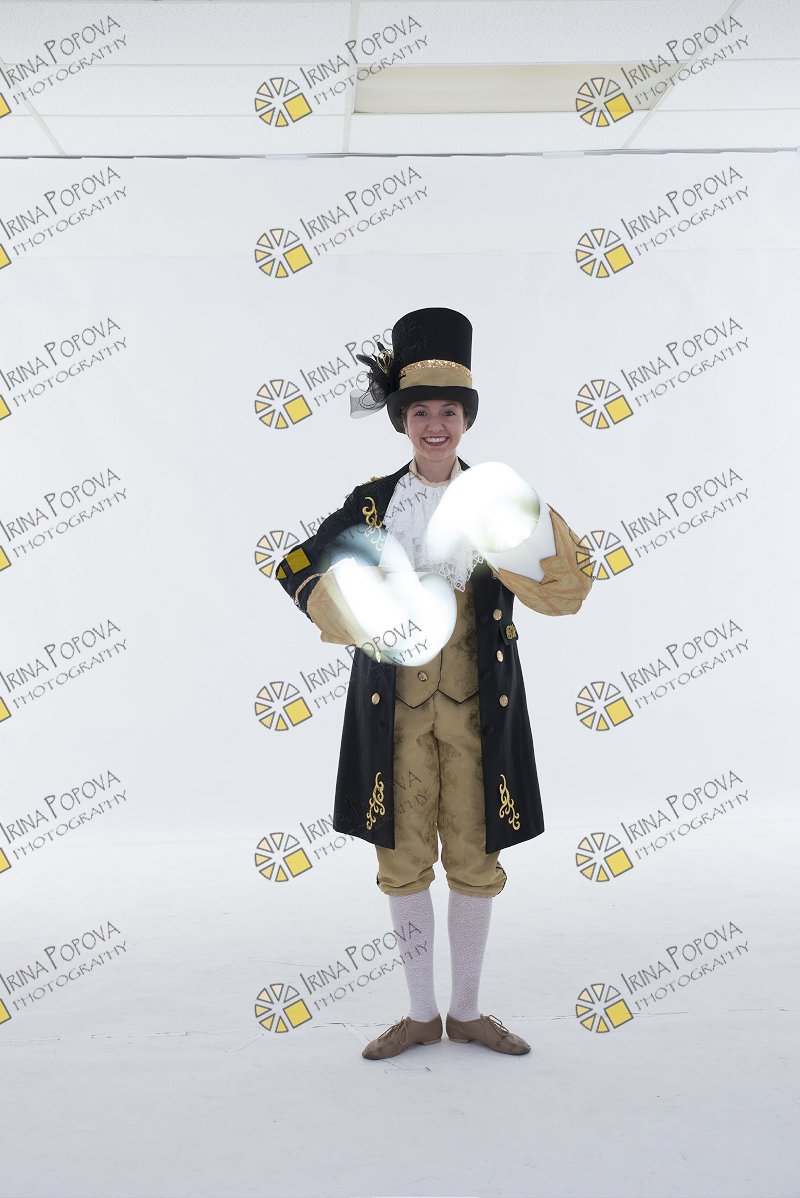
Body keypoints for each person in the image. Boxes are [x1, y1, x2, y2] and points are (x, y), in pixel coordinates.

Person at [276, 307, 594, 1060]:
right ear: (403, 422)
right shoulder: (372, 503)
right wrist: (357, 607)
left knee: (477, 858)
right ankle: (421, 1014)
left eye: (449, 412)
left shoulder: (502, 500)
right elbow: (296, 565)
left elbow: (569, 586)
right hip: (394, 714)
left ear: (466, 420)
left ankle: (468, 1011)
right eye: (420, 412)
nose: (435, 425)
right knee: (402, 856)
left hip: (479, 711)